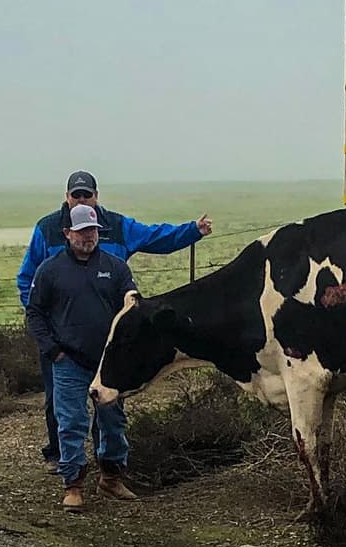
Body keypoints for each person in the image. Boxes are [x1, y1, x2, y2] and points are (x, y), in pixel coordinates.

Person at [16, 170, 213, 470]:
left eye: (87, 194)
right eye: (76, 195)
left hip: (110, 339)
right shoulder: (47, 229)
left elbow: (154, 236)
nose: (82, 199)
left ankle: (106, 463)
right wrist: (45, 329)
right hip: (60, 340)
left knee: (109, 399)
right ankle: (61, 457)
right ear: (66, 198)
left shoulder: (118, 226)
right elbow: (27, 277)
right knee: (59, 401)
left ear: (96, 197)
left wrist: (192, 231)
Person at [26, 204, 138, 513]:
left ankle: (112, 477)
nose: (88, 237)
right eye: (82, 231)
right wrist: (53, 351)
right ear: (67, 233)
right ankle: (73, 485)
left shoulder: (116, 267)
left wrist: (131, 305)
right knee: (71, 422)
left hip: (108, 362)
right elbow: (35, 313)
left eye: (93, 231)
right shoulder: (49, 269)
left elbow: (131, 306)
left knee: (113, 422)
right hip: (68, 362)